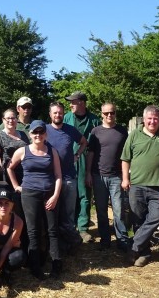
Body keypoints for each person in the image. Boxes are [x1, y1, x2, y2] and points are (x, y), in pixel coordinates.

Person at [7, 120, 63, 278]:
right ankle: (35, 266)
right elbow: (10, 167)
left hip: (49, 194)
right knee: (33, 231)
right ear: (30, 134)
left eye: (41, 132)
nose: (38, 135)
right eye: (35, 132)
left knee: (52, 230)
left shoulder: (52, 151)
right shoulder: (23, 151)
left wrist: (55, 195)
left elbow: (58, 175)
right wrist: (17, 186)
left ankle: (56, 263)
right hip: (30, 194)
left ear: (45, 134)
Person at [121, 105, 159, 267]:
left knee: (155, 218)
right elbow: (125, 158)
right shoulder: (135, 135)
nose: (152, 122)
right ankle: (144, 253)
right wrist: (125, 179)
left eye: (156, 118)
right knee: (138, 220)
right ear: (144, 120)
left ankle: (134, 247)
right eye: (149, 118)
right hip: (137, 184)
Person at [85, 102, 129, 252]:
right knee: (101, 210)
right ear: (101, 114)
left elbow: (126, 156)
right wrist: (88, 173)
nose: (109, 115)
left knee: (119, 210)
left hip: (116, 176)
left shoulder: (122, 131)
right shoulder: (95, 131)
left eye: (112, 112)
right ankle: (105, 239)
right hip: (98, 176)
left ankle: (122, 240)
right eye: (106, 113)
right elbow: (90, 154)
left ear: (115, 113)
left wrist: (125, 177)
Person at [45, 102, 87, 254]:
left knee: (69, 213)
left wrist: (77, 155)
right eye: (55, 113)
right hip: (49, 179)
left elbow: (84, 142)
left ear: (64, 114)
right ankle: (55, 245)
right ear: (50, 114)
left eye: (60, 112)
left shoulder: (70, 130)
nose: (58, 115)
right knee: (52, 213)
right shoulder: (44, 130)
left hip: (68, 177)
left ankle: (71, 245)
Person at [64, 91, 100, 242]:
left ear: (82, 103)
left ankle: (83, 228)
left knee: (85, 195)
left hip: (87, 158)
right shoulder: (66, 117)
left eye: (73, 101)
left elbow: (97, 144)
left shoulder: (94, 120)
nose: (70, 104)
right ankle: (69, 227)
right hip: (68, 159)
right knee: (69, 194)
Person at [0, 108, 30, 191]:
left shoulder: (23, 134)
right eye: (8, 118)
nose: (10, 121)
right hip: (10, 173)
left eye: (13, 118)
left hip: (26, 173)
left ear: (16, 119)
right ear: (3, 120)